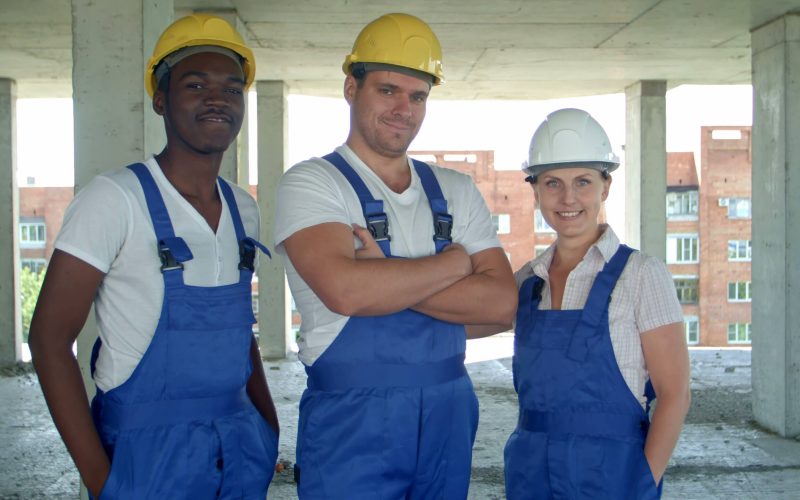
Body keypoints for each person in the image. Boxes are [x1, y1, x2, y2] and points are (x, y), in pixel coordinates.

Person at [28, 13, 278, 499]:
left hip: (240, 448)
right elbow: (48, 338)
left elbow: (237, 330)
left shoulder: (242, 208)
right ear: (160, 99)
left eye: (231, 88)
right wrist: (105, 484)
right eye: (195, 84)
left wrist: (267, 430)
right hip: (144, 457)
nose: (216, 99)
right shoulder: (114, 199)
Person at [273, 12, 517, 499]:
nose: (403, 108)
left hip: (448, 411)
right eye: (388, 90)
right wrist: (453, 264)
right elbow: (344, 290)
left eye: (418, 95)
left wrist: (382, 282)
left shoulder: (456, 189)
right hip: (352, 415)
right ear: (351, 87)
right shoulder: (314, 183)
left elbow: (502, 305)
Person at [497, 108, 691, 499]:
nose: (568, 198)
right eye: (552, 183)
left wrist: (641, 485)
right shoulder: (526, 282)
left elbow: (675, 395)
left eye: (583, 181)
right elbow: (461, 323)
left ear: (606, 187)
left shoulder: (642, 275)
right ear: (535, 190)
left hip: (613, 477)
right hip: (532, 474)